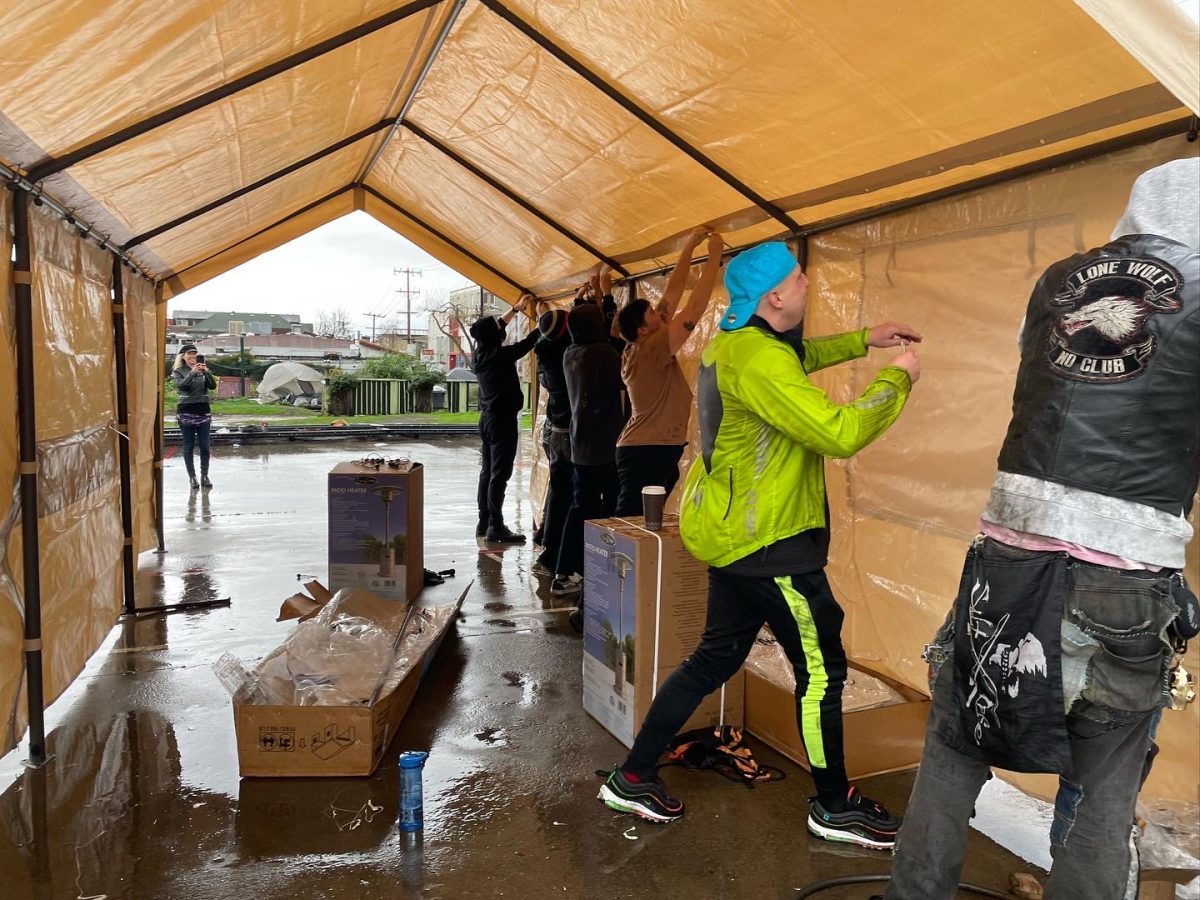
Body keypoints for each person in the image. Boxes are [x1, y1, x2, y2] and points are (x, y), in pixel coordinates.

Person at [885, 157, 1200, 900]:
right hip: (1124, 571)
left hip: (1008, 549)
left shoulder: (1058, 279)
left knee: (953, 747)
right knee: (1103, 789)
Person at [597, 241, 922, 852]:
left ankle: (633, 775)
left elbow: (794, 356)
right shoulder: (758, 359)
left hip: (735, 536)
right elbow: (838, 432)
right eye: (801, 278)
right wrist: (895, 380)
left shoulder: (736, 338)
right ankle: (834, 805)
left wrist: (863, 338)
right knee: (822, 673)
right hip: (772, 544)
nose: (807, 285)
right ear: (775, 294)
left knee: (713, 660)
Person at [614, 227, 723, 515]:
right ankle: (607, 562)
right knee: (632, 525)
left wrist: (689, 247)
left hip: (649, 448)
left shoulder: (641, 344)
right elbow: (695, 308)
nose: (661, 314)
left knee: (640, 525)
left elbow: (672, 293)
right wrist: (714, 257)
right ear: (642, 329)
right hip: (646, 451)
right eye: (652, 314)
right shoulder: (652, 348)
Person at [551, 303, 625, 609]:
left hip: (581, 445)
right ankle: (603, 570)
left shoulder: (571, 353)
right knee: (612, 509)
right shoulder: (604, 354)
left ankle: (565, 571)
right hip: (605, 446)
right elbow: (624, 366)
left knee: (581, 507)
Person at [470, 293, 539, 543]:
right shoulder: (500, 356)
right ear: (495, 336)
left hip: (488, 420)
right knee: (500, 474)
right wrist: (546, 320)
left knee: (488, 472)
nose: (503, 329)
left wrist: (516, 309)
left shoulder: (481, 354)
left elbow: (496, 327)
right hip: (501, 422)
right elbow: (528, 342)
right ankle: (496, 526)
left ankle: (484, 520)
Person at [532, 307, 573, 577]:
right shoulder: (568, 355)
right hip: (567, 432)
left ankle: (547, 538)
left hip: (553, 429)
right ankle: (555, 554)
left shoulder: (545, 351)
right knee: (566, 494)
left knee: (558, 489)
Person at [172, 344, 217, 491]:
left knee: (205, 446)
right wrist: (192, 372)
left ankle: (205, 475)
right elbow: (182, 386)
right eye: (189, 354)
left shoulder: (203, 370)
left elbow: (212, 386)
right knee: (188, 446)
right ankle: (192, 477)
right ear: (183, 356)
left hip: (203, 410)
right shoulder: (178, 371)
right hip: (186, 410)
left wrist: (207, 372)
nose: (192, 357)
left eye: (195, 354)